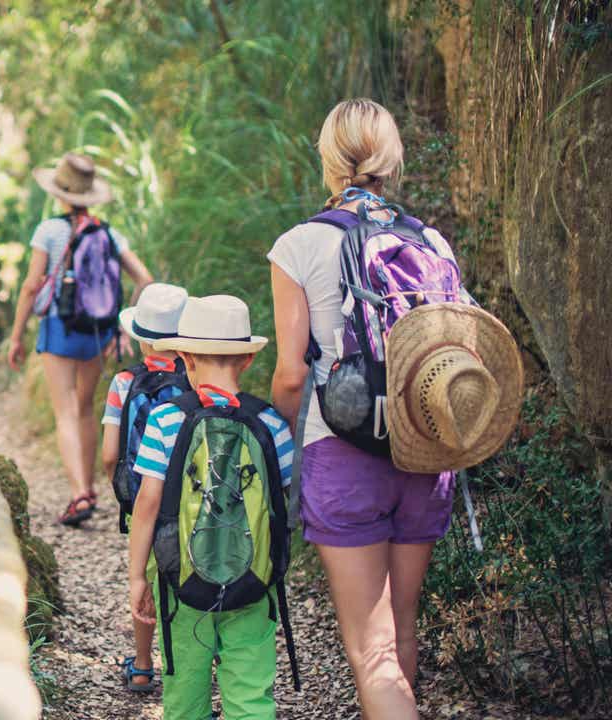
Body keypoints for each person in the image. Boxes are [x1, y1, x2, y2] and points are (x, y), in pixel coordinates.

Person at [267, 98, 455, 718]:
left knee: (370, 651)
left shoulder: (299, 245)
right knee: (400, 631)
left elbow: (292, 375)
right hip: (426, 449)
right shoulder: (430, 241)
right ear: (391, 157)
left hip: (343, 449)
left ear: (328, 158)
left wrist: (285, 443)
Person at [125, 294, 297, 720]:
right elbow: (283, 503)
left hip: (181, 581)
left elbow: (146, 505)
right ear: (247, 361)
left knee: (185, 692)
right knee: (251, 693)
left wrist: (136, 578)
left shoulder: (166, 420)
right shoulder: (272, 423)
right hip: (254, 580)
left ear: (184, 357)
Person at [8, 152, 154, 526]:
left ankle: (80, 494)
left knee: (65, 411)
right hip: (97, 330)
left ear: (60, 192)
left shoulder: (50, 231)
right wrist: (123, 328)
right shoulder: (108, 233)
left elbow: (31, 285)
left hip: (59, 328)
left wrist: (16, 335)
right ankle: (88, 485)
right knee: (86, 407)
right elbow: (145, 280)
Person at [100, 283, 190, 692]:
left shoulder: (123, 383)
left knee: (146, 581)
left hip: (144, 502)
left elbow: (108, 452)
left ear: (140, 340)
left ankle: (141, 664)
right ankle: (194, 659)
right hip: (192, 502)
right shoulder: (198, 380)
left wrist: (122, 488)